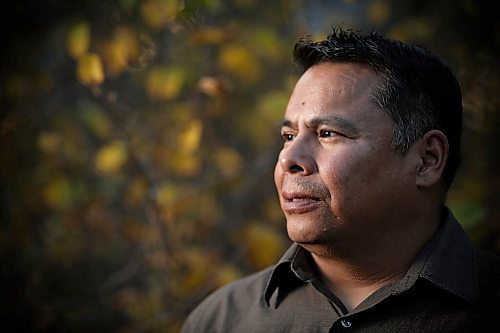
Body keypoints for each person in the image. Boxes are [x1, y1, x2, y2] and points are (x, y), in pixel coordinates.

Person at [181, 27, 500, 332]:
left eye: (327, 134)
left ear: (427, 159)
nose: (288, 160)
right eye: (289, 136)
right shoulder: (221, 320)